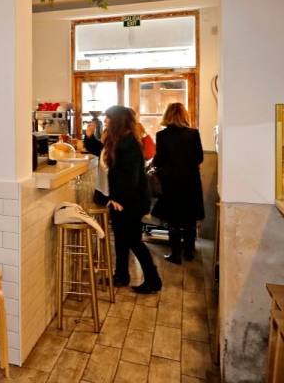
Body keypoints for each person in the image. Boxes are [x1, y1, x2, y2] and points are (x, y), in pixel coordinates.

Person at [84, 106, 162, 294]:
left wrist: (118, 199)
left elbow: (131, 177)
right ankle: (121, 276)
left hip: (130, 201)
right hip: (124, 199)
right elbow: (102, 153)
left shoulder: (129, 144)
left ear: (118, 121)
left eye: (109, 118)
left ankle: (153, 280)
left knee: (133, 240)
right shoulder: (119, 140)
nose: (107, 121)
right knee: (121, 239)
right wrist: (89, 136)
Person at [152, 103, 205, 264]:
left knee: (173, 220)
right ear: (184, 116)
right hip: (190, 182)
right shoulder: (194, 134)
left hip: (171, 183)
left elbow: (159, 160)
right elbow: (199, 158)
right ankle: (189, 252)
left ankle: (175, 255)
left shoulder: (162, 135)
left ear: (167, 116)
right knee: (189, 219)